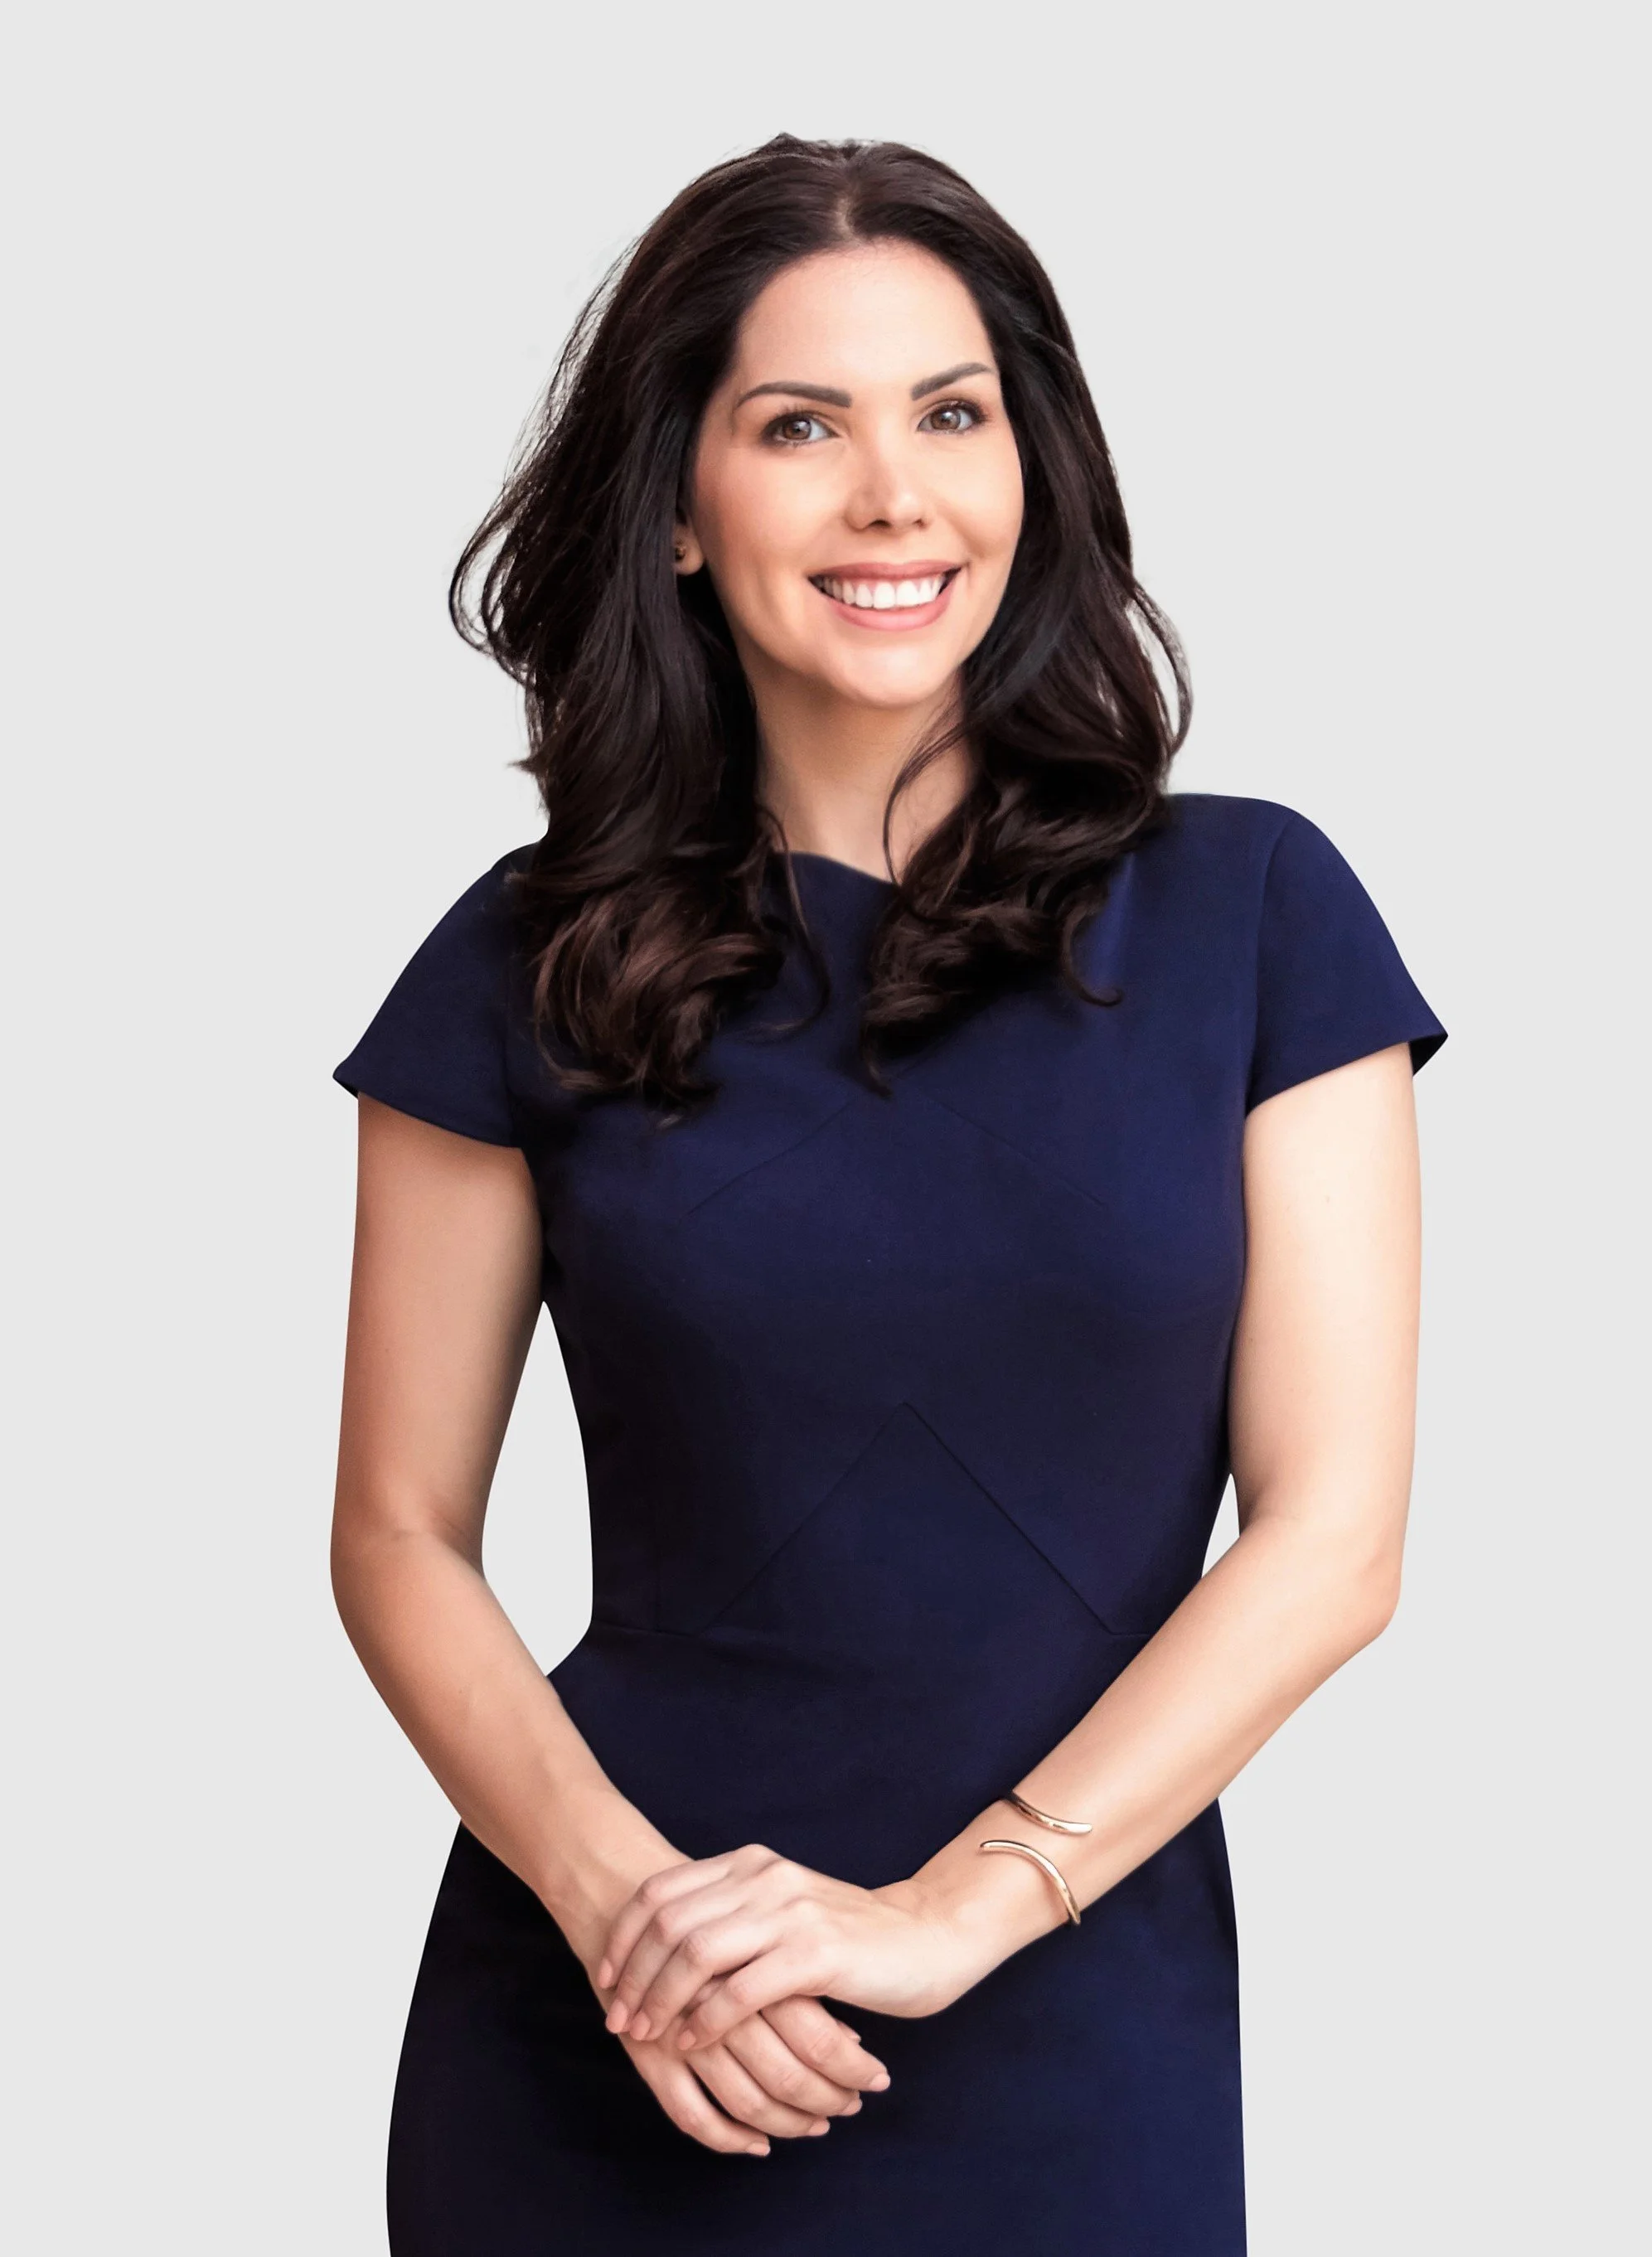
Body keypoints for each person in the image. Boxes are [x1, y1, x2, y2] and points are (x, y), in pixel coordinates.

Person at [331, 134, 1446, 2255]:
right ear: (677, 503)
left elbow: (1334, 1538)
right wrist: (630, 1917)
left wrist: (954, 1910)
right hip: (616, 2024)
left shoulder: (1260, 916)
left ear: (1035, 468)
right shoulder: (521, 957)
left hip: (1062, 2003)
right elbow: (396, 1534)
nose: (893, 496)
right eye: (798, 427)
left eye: (951, 413)